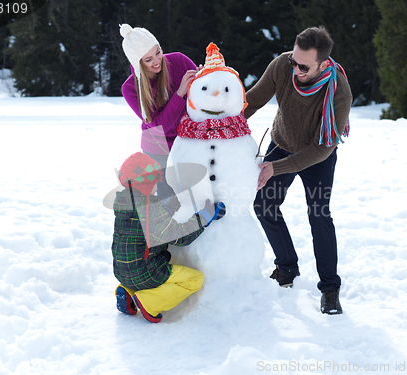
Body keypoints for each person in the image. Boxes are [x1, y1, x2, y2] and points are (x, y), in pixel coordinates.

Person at [244, 26, 352, 315]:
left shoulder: (339, 92)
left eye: (304, 66)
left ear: (324, 63)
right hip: (282, 143)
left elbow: (324, 148)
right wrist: (222, 127)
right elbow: (252, 101)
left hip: (317, 155)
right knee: (264, 205)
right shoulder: (283, 65)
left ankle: (330, 289)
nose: (296, 68)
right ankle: (287, 267)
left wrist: (276, 168)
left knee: (319, 216)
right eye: (294, 60)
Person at [112, 152, 225, 323]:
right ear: (145, 184)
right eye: (154, 181)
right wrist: (205, 217)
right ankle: (148, 301)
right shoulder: (151, 210)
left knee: (136, 271)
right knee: (194, 279)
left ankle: (128, 291)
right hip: (146, 272)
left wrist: (169, 208)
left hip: (121, 271)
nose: (158, 184)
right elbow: (181, 237)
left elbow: (146, 224)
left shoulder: (124, 204)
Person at [119, 24, 198, 199]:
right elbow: (158, 126)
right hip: (158, 150)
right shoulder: (131, 88)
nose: (157, 61)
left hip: (188, 141)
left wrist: (204, 78)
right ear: (137, 63)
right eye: (148, 60)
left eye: (158, 52)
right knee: (170, 203)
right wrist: (179, 94)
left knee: (196, 198)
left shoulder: (179, 61)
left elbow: (204, 95)